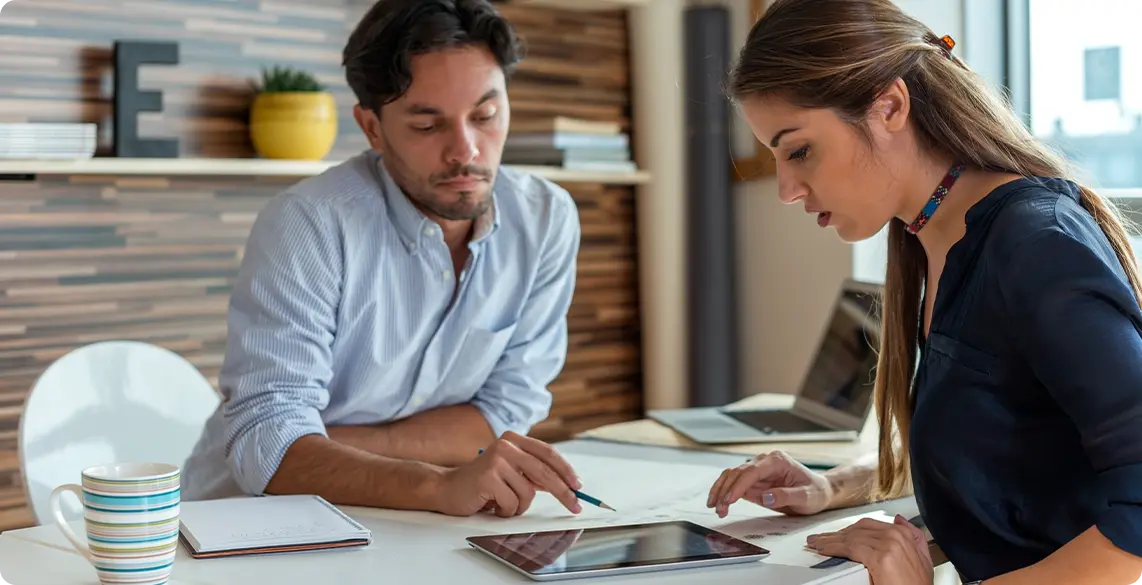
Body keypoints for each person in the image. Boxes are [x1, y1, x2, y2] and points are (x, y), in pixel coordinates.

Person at [705, 1, 1142, 584]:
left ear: (889, 106)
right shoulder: (928, 237)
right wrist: (829, 486)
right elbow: (1002, 451)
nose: (787, 189)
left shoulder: (1035, 244)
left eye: (799, 150)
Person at [181, 0, 586, 520]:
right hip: (246, 527)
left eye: (485, 116)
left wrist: (331, 443)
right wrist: (436, 485)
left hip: (406, 523)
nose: (466, 150)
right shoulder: (309, 224)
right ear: (372, 127)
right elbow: (268, 448)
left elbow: (503, 415)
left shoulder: (545, 218)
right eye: (426, 125)